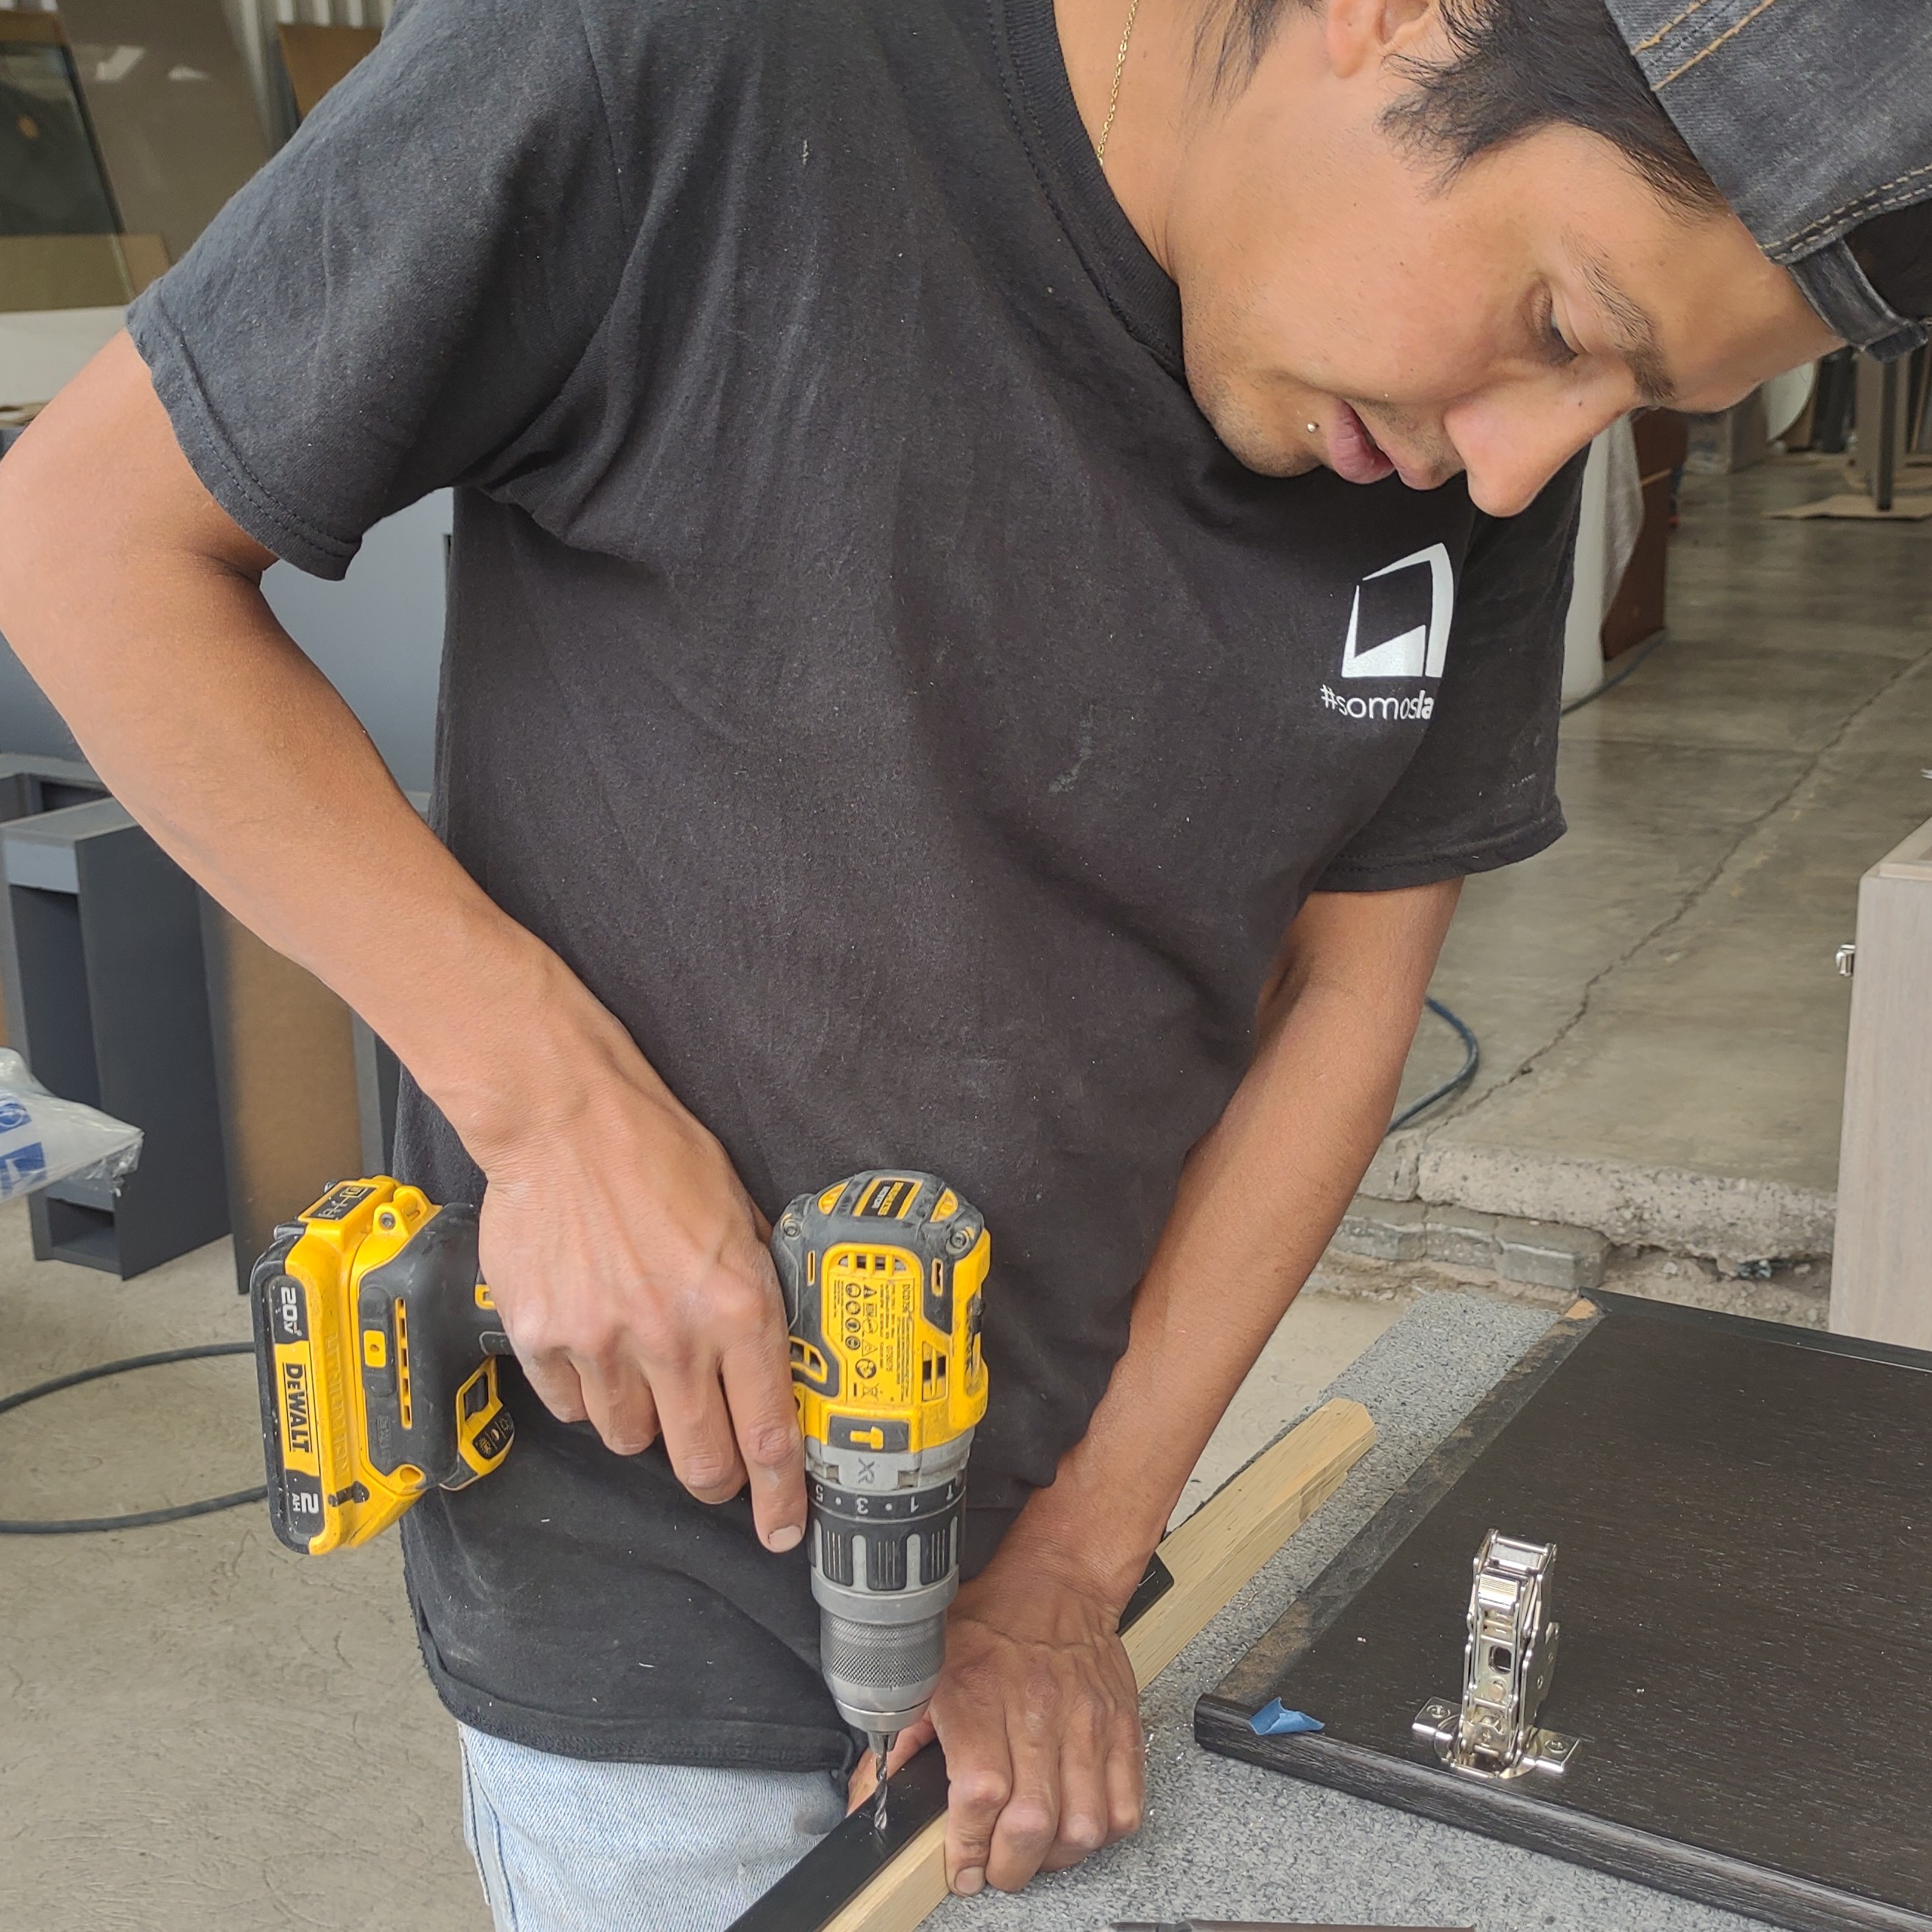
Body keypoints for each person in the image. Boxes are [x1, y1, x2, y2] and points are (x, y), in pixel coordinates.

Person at [0, 0, 1921, 1925]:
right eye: (1565, 324)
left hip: (1057, 1541)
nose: (1518, 473)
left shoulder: (1463, 445)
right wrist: (553, 1109)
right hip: (645, 1620)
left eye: (1630, 402)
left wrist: (1078, 1558)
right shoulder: (686, 63)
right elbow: (85, 542)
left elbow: (1347, 998)